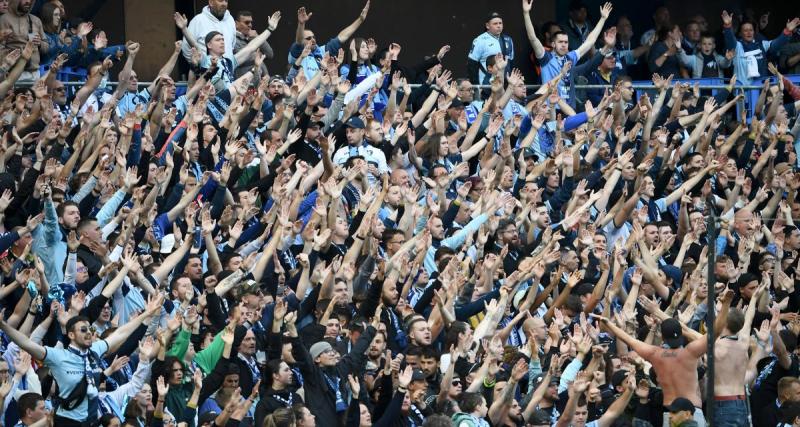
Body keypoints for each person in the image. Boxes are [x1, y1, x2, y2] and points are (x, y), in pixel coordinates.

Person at [533, 2, 613, 107]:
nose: (563, 45)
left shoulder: (570, 57)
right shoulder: (546, 58)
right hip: (551, 109)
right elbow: (533, 39)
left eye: (566, 42)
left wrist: (602, 19)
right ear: (553, 44)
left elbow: (589, 42)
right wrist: (526, 13)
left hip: (570, 108)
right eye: (560, 42)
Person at [0, 0, 48, 80]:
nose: (28, 1)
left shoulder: (36, 20)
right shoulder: (4, 19)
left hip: (35, 72)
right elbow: (0, 47)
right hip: (14, 72)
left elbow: (46, 48)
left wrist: (40, 43)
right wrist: (16, 56)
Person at [467, 12, 514, 85]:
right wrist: (476, 86)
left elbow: (511, 63)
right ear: (487, 26)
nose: (499, 26)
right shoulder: (480, 40)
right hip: (487, 84)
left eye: (500, 23)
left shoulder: (508, 39)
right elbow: (471, 65)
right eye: (495, 24)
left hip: (505, 83)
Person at [233, 10, 274, 78]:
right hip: (243, 81)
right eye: (246, 22)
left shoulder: (253, 37)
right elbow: (241, 58)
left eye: (251, 22)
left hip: (260, 81)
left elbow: (270, 54)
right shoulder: (233, 39)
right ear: (236, 24)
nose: (250, 25)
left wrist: (257, 37)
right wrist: (258, 54)